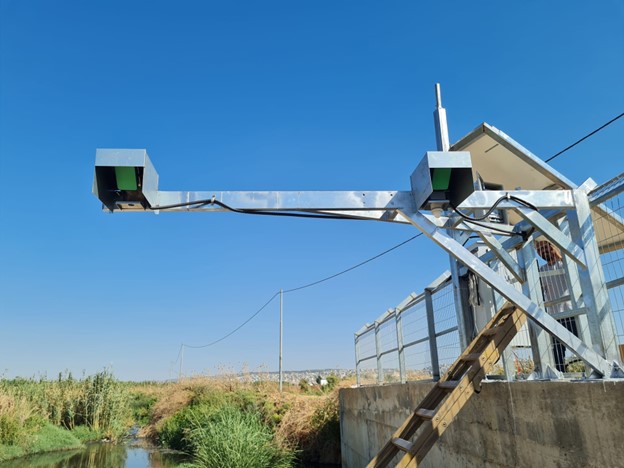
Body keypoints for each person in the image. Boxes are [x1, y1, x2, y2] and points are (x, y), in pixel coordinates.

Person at [535, 240, 579, 373]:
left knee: (582, 345)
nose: (543, 252)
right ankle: (560, 374)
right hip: (555, 316)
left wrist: (559, 256)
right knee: (557, 351)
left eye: (545, 248)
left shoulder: (565, 264)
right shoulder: (541, 271)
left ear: (552, 247)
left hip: (572, 313)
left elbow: (576, 274)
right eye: (539, 250)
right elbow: (539, 292)